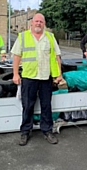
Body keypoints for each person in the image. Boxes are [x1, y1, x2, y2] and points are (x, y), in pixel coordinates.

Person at [11, 13, 62, 146]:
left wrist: (59, 74)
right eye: (36, 21)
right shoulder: (23, 36)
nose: (38, 23)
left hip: (46, 77)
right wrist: (15, 74)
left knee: (46, 105)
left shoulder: (50, 37)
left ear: (44, 24)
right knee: (27, 105)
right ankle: (25, 132)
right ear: (31, 23)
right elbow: (16, 56)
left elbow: (57, 57)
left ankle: (47, 131)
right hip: (29, 77)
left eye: (41, 22)